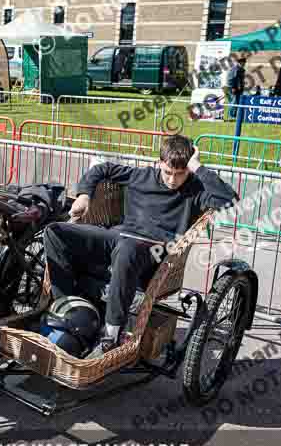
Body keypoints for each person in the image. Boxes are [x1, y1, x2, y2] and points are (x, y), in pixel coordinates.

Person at [44, 135, 237, 358]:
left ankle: (111, 335)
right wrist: (84, 195)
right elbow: (102, 169)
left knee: (127, 249)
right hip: (118, 237)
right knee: (55, 231)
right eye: (167, 172)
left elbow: (229, 200)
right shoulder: (142, 176)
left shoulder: (195, 189)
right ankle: (69, 311)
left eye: (180, 174)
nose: (173, 180)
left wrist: (197, 166)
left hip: (154, 252)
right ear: (159, 163)